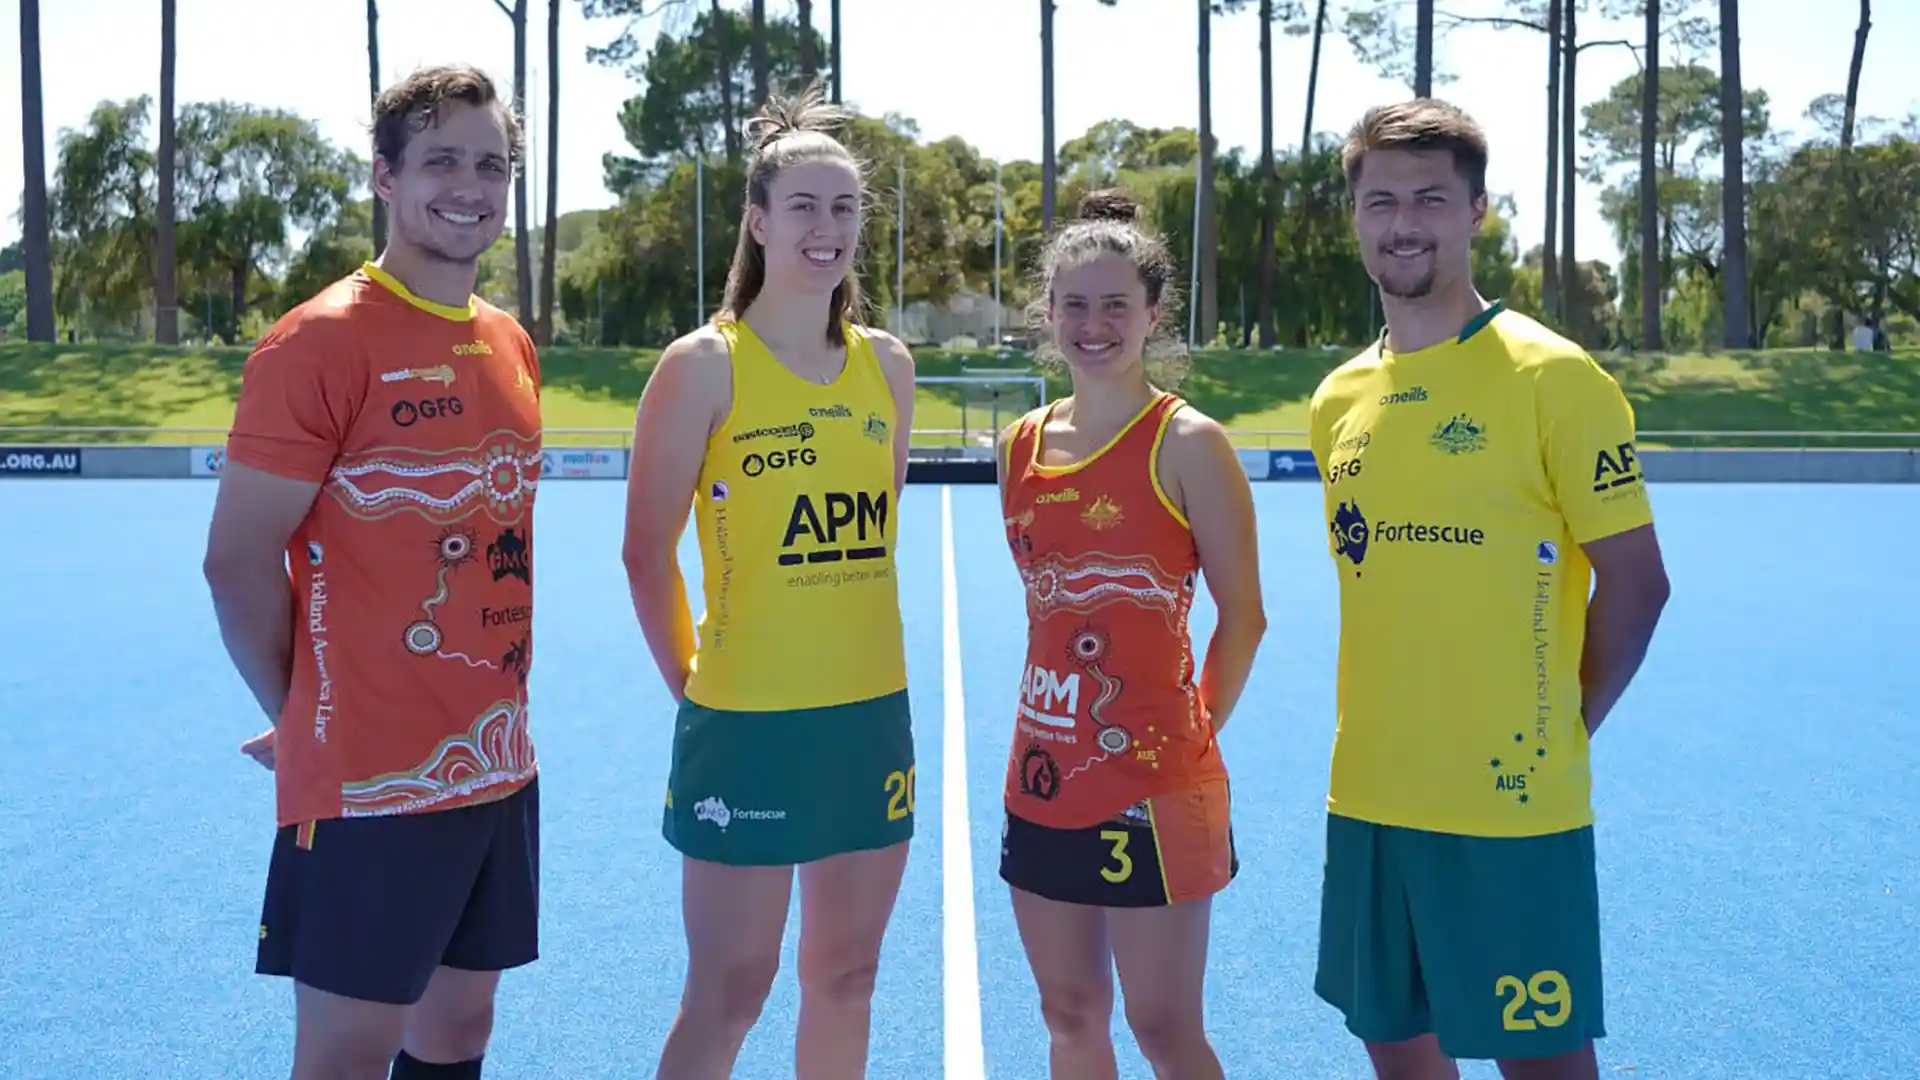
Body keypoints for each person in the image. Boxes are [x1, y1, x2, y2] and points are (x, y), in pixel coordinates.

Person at [1307, 99, 1673, 1080]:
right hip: (1373, 789)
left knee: (1541, 1063)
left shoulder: (1556, 380)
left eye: (1430, 196)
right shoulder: (1338, 397)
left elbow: (1638, 586)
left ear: (1476, 210)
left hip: (1510, 804)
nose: (1403, 222)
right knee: (1393, 1042)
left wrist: (1565, 723)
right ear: (1355, 219)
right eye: (1380, 200)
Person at [202, 65, 541, 1080]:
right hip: (372, 788)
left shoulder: (509, 342)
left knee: (456, 1034)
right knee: (348, 1056)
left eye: (491, 163)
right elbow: (234, 565)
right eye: (441, 159)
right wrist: (307, 709)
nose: (470, 184)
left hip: (496, 762)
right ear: (386, 177)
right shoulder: (320, 342)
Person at [620, 79, 919, 1080]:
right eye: (804, 207)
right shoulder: (703, 364)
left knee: (846, 977)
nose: (826, 229)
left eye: (844, 209)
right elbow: (642, 550)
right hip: (747, 718)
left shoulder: (890, 366)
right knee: (730, 990)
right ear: (758, 221)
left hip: (870, 713)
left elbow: (874, 538)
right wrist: (695, 687)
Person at [994, 188, 1267, 1080]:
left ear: (1152, 314)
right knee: (1069, 1018)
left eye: (1116, 305)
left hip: (1155, 787)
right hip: (1043, 773)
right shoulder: (1020, 446)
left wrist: (1188, 733)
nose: (1094, 324)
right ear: (1049, 314)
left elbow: (1245, 616)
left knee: (1163, 1030)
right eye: (1075, 304)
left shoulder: (1189, 444)